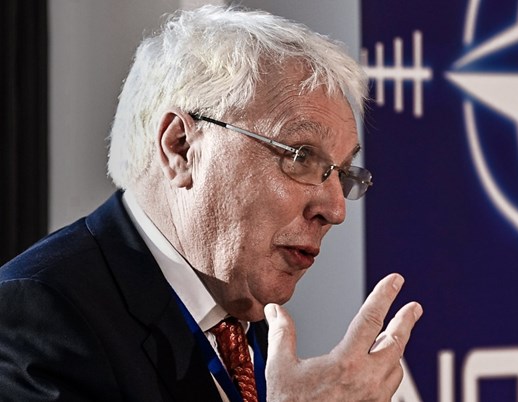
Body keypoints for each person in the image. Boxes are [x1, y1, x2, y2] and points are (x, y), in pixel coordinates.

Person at [0, 5, 422, 401]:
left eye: (342, 173)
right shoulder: (37, 316)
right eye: (300, 156)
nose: (335, 210)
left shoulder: (239, 310)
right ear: (180, 147)